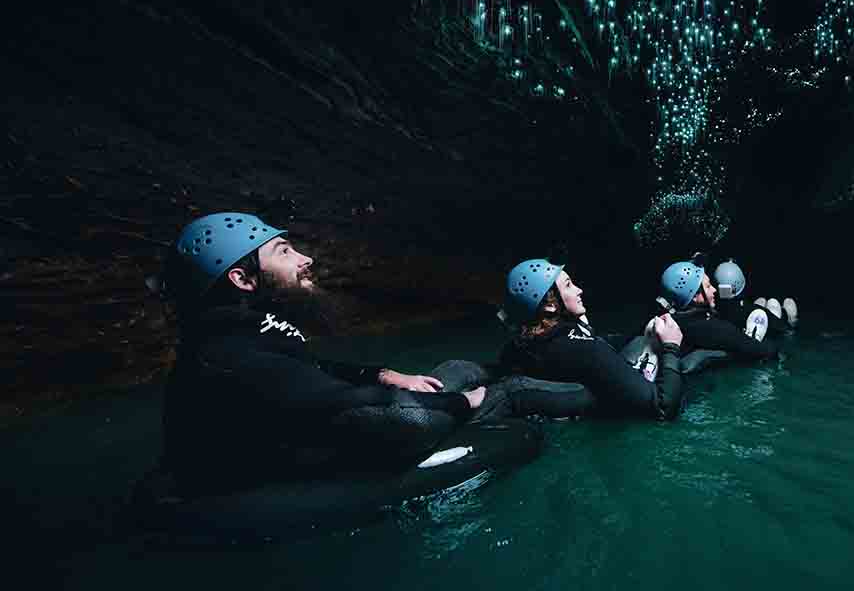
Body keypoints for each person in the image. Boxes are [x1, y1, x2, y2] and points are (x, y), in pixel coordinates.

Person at [157, 212, 583, 498]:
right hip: (286, 458)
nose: (305, 259)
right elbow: (349, 404)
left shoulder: (249, 325)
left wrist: (383, 374)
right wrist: (458, 403)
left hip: (322, 418)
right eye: (284, 252)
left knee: (457, 368)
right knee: (502, 393)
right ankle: (581, 391)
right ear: (242, 278)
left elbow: (309, 370)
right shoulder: (227, 353)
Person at [496, 259, 685, 420]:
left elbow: (597, 345)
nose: (579, 290)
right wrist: (671, 347)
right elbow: (663, 407)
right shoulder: (587, 351)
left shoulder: (517, 347)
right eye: (569, 285)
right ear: (550, 305)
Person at [659, 257, 780, 365]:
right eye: (708, 286)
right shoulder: (715, 329)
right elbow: (767, 351)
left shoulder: (668, 320)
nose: (714, 290)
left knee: (763, 304)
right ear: (695, 296)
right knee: (772, 306)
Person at [711, 258, 797, 338]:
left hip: (744, 314)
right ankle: (787, 316)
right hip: (768, 321)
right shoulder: (749, 309)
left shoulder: (715, 311)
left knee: (762, 302)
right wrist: (787, 327)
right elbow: (784, 329)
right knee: (773, 305)